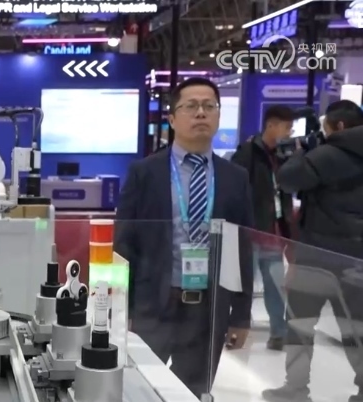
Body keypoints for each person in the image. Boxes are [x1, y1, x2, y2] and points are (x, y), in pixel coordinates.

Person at [114, 77, 254, 398]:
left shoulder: (235, 178)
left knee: (191, 393)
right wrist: (122, 309)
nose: (201, 113)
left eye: (209, 106)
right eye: (191, 106)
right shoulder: (144, 173)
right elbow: (124, 244)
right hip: (152, 304)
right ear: (173, 118)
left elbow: (242, 250)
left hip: (208, 308)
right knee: (139, 390)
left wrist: (241, 315)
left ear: (218, 115)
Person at [263, 100, 363, 402]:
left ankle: (296, 388)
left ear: (339, 126)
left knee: (300, 323)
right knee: (355, 326)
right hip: (358, 254)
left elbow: (287, 179)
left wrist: (299, 152)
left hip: (317, 254)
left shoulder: (328, 153)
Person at [230, 105, 296, 351]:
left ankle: (279, 333)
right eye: (286, 127)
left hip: (273, 230)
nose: (289, 133)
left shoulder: (284, 156)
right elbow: (237, 189)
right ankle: (237, 329)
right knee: (243, 287)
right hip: (250, 231)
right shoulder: (247, 153)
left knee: (275, 286)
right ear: (271, 125)